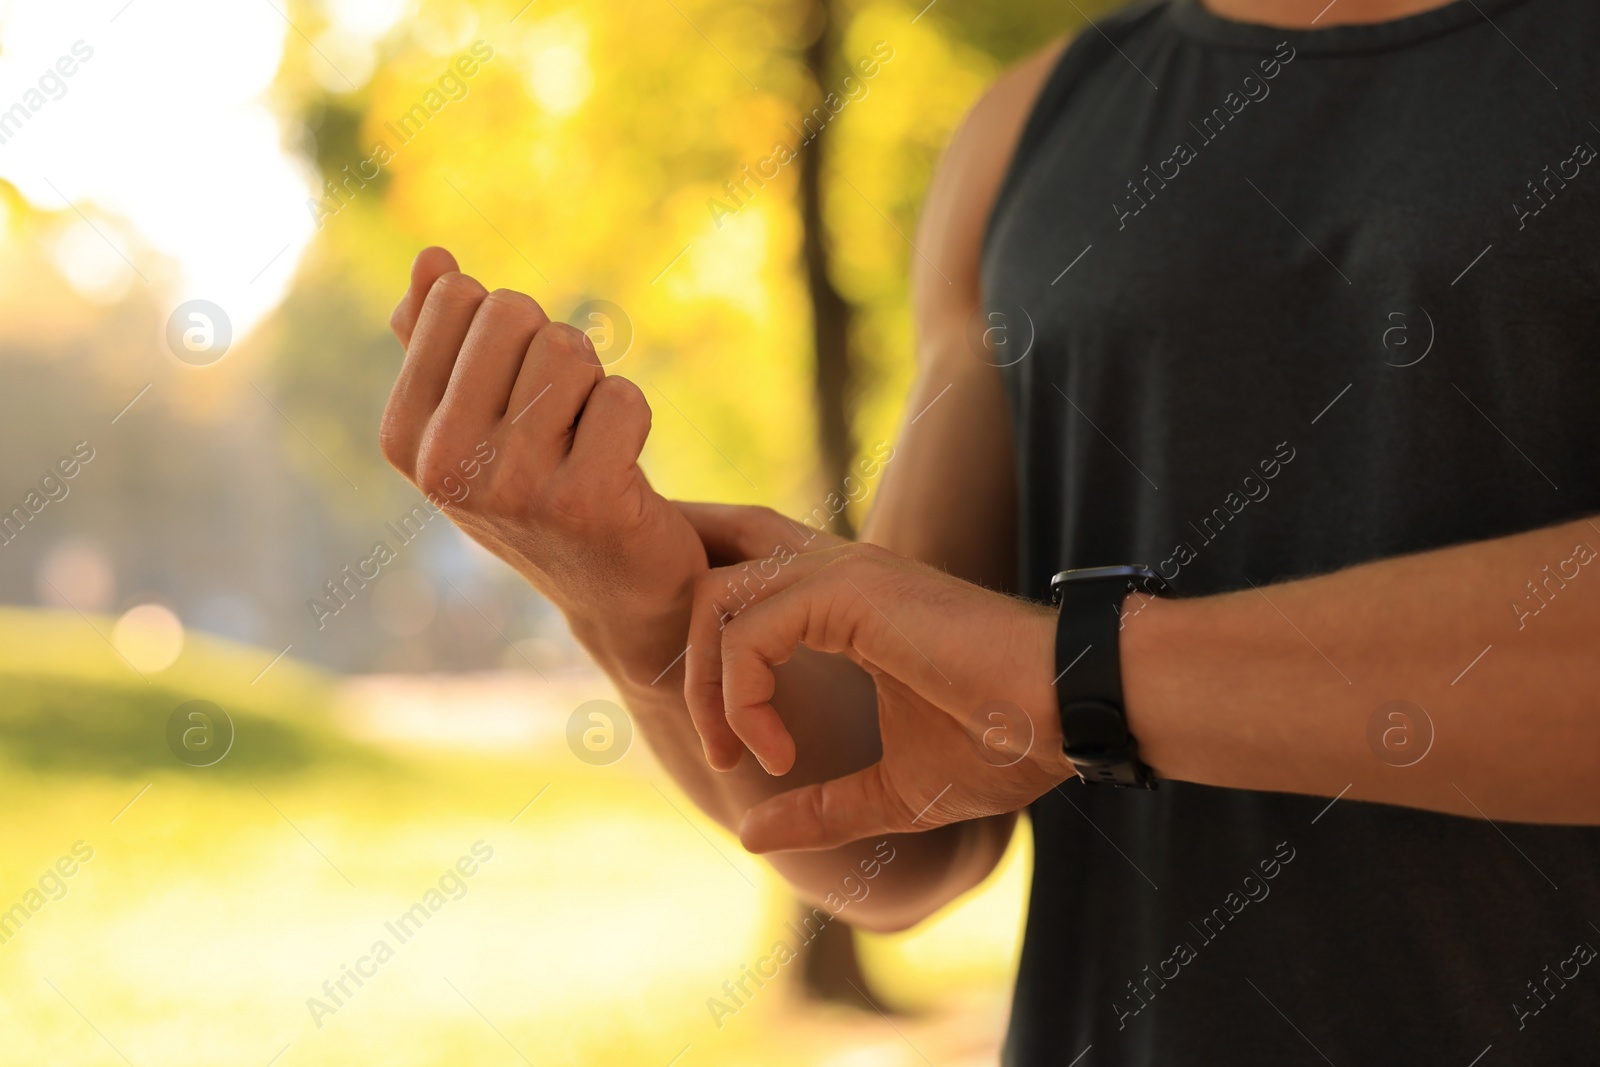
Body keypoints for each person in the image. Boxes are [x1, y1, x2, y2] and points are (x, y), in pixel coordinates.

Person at [378, 0, 1600, 1060]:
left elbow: (1022, 684)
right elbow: (902, 812)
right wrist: (637, 615)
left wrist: (1065, 673)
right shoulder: (1026, 132)